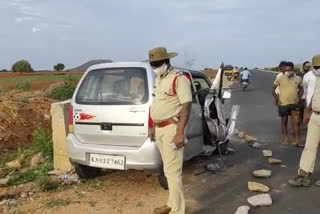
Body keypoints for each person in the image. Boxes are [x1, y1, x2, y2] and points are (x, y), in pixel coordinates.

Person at [147, 47, 192, 214]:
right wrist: (153, 127)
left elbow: (186, 107)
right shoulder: (159, 79)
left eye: (157, 63)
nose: (155, 66)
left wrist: (180, 133)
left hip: (172, 129)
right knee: (167, 170)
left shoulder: (179, 79)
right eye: (152, 64)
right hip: (159, 130)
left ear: (167, 61)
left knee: (173, 173)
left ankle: (178, 210)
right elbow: (156, 106)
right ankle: (171, 204)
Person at [289, 55, 320, 187]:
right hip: (316, 115)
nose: (318, 70)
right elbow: (315, 94)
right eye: (316, 67)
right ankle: (303, 175)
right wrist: (308, 110)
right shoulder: (317, 78)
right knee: (309, 146)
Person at [272, 61, 304, 147]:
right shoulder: (279, 78)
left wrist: (299, 98)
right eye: (286, 70)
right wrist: (277, 100)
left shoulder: (298, 79)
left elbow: (301, 89)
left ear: (293, 69)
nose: (287, 72)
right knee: (284, 122)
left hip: (295, 104)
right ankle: (285, 139)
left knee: (296, 123)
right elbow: (273, 90)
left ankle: (297, 141)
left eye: (289, 70)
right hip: (283, 104)